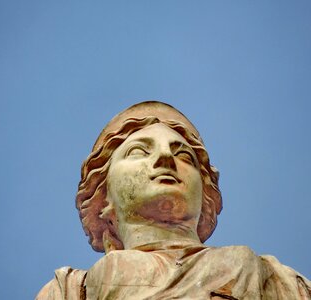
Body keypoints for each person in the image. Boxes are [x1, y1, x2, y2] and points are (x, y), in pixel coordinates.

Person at [36, 101, 310, 299]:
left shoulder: (278, 281)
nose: (166, 158)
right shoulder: (69, 291)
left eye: (184, 156)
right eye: (138, 152)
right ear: (103, 196)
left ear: (206, 197)